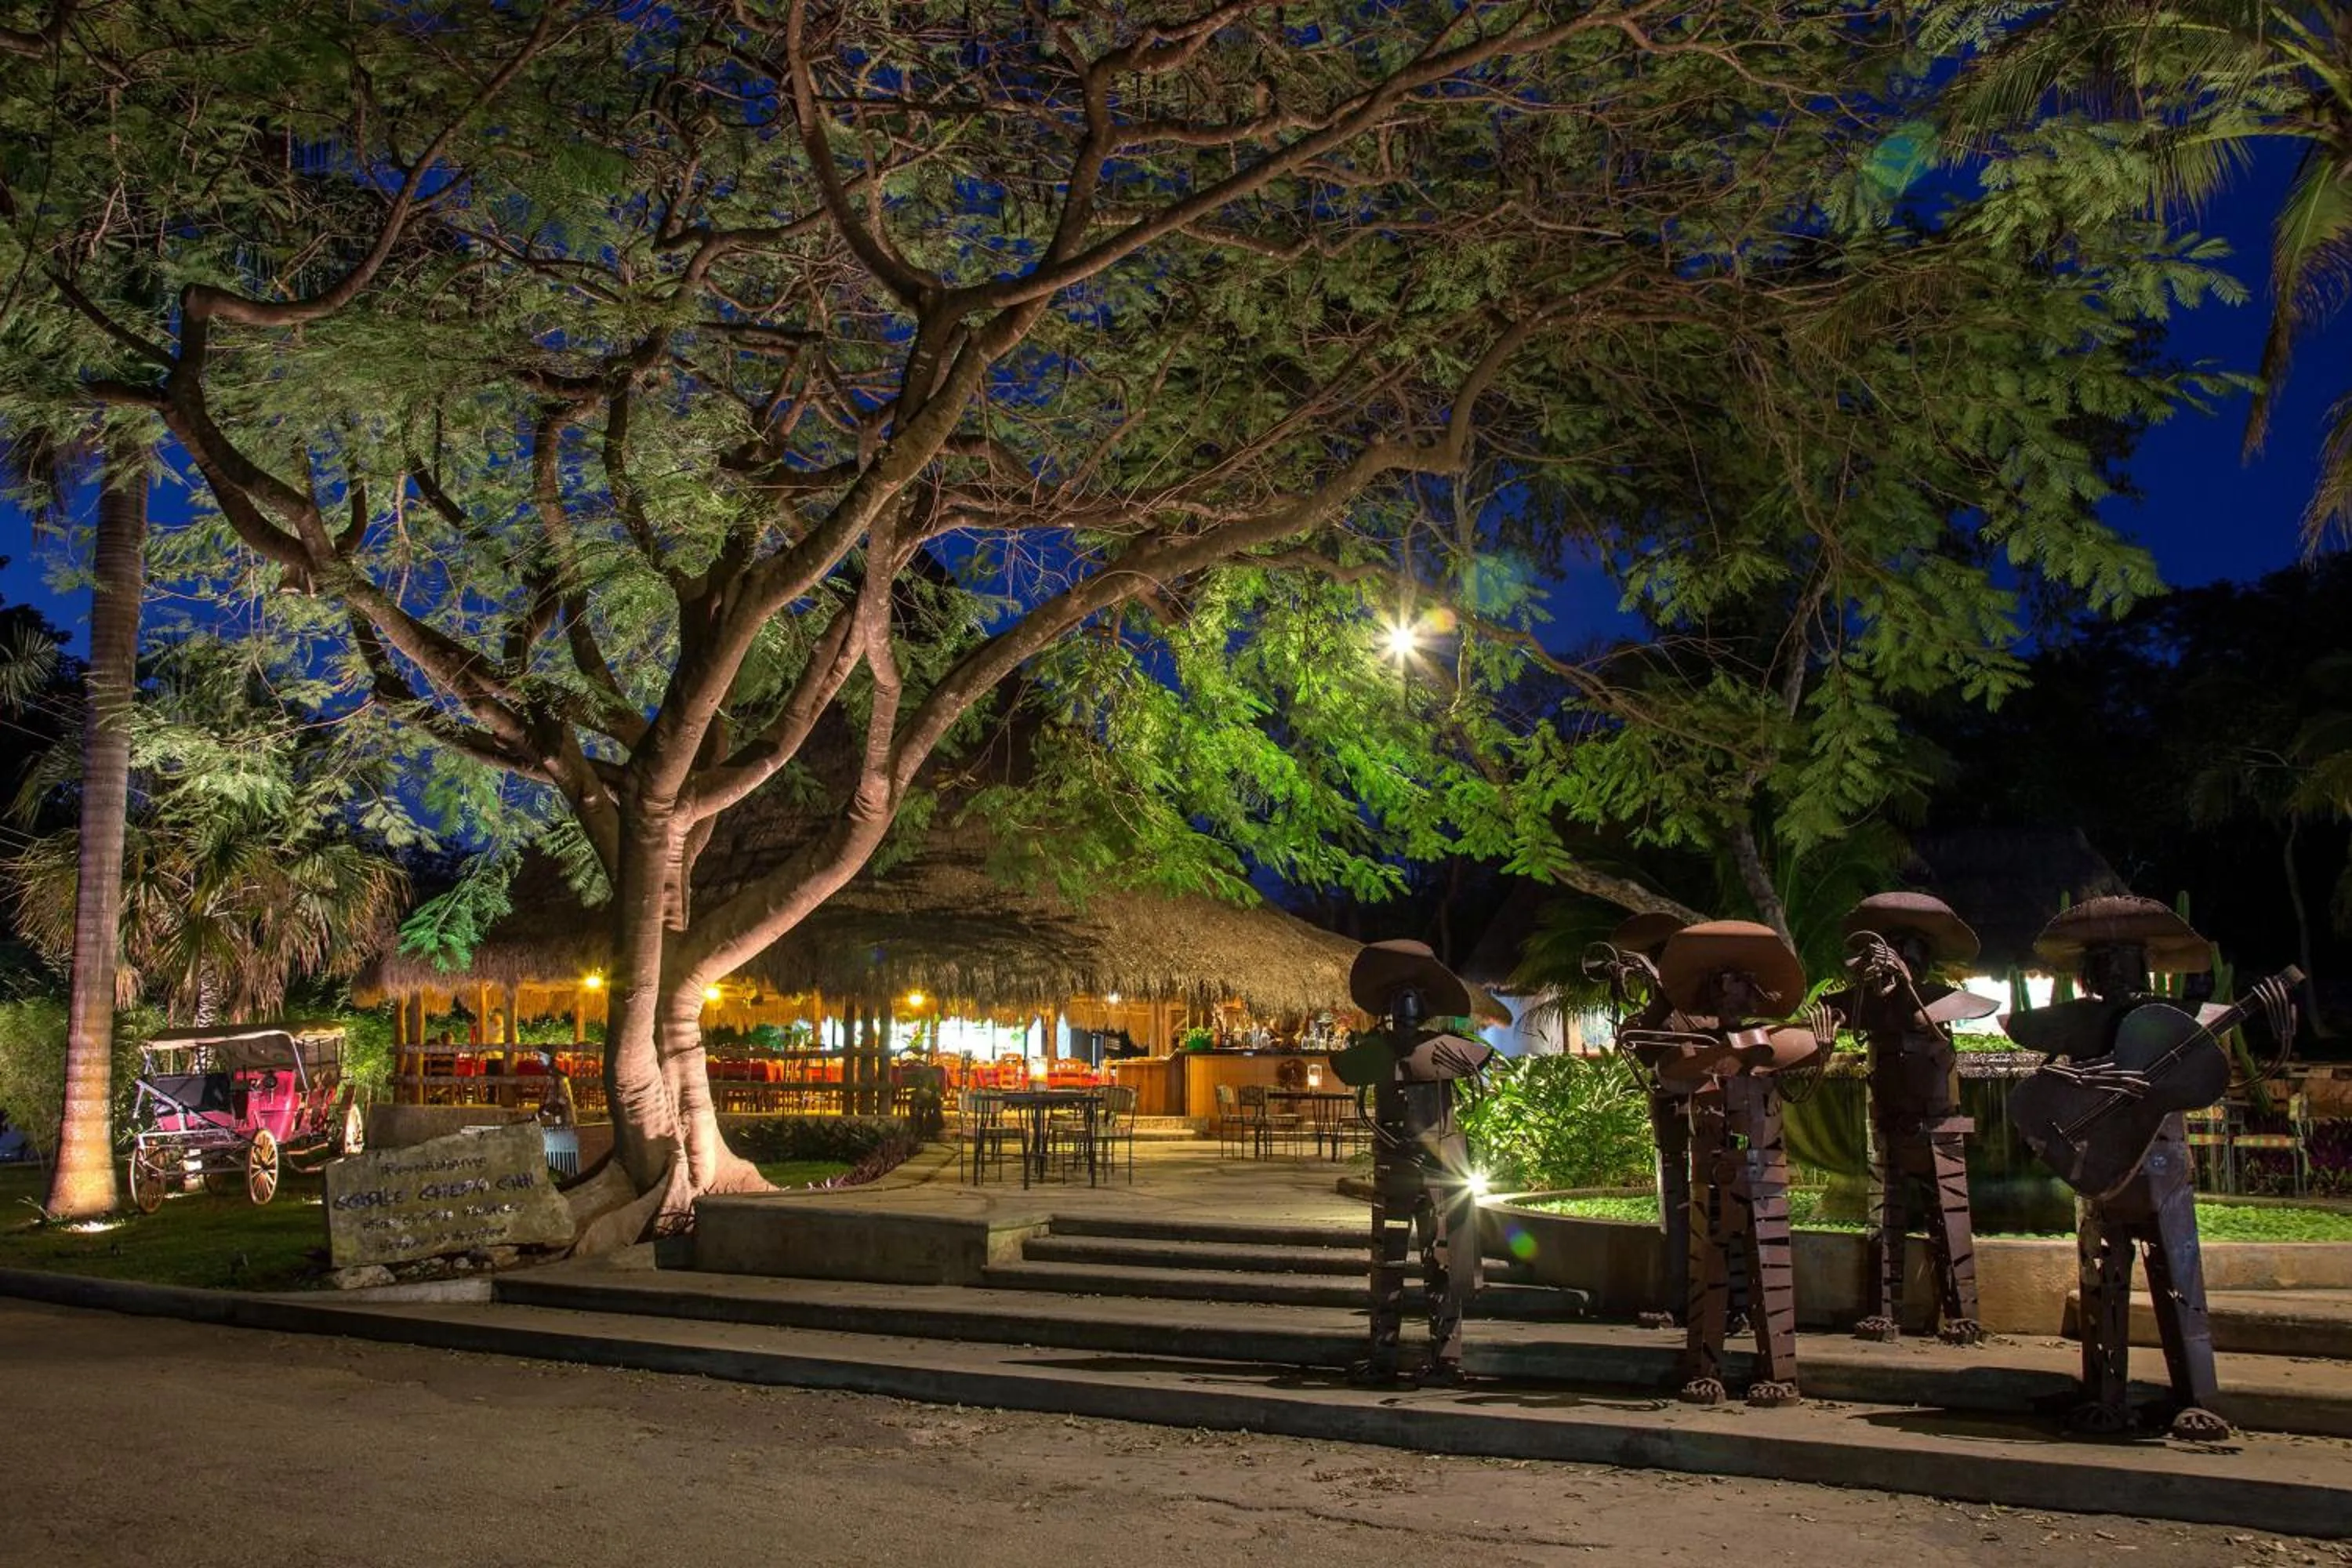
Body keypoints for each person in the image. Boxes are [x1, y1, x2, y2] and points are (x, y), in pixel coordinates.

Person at [2005, 895, 2296, 1439]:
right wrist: (2096, 1081)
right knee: (2103, 1280)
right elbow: (2049, 1081)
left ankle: (2197, 1395)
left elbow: (2215, 1075)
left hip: (2164, 1164)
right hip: (2100, 1164)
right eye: (2103, 960)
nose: (2115, 971)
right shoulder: (2075, 1026)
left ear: (2146, 965)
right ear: (2088, 971)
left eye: (2126, 959)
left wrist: (2277, 1017)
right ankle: (2106, 1393)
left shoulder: (2179, 1024)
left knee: (2181, 1280)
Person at [1652, 920, 1824, 1407]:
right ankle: (1704, 1367)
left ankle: (1780, 1373)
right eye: (1720, 988)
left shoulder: (1779, 1041)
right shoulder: (1696, 1049)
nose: (1729, 997)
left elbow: (1799, 1082)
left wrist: (1821, 1053)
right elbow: (1672, 1079)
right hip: (1711, 1168)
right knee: (1707, 1271)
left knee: (1770, 1270)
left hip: (1764, 1168)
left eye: (1738, 987)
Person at [1828, 891, 1996, 1345]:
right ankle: (1883, 1310)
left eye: (1906, 952)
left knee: (1950, 1218)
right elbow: (1826, 1019)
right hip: (1887, 1123)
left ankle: (1962, 1311)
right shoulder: (1866, 1005)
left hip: (1940, 1127)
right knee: (1886, 1218)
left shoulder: (1946, 1003)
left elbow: (1949, 1021)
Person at [1330, 939, 1497, 1385]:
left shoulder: (1449, 1050)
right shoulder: (1374, 1053)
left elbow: (1478, 1061)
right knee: (1387, 1265)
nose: (1405, 1007)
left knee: (1442, 1264)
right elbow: (1349, 1068)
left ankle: (1447, 1357)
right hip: (1394, 1170)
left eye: (1413, 999)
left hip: (1441, 1174)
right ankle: (1383, 1355)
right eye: (1397, 999)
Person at [1588, 911, 1698, 1329]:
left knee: (1716, 1210)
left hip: (1711, 1120)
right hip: (1671, 1116)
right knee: (1673, 1210)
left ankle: (1726, 1302)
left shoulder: (1702, 1007)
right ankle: (1678, 1298)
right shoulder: (1656, 1012)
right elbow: (1646, 1048)